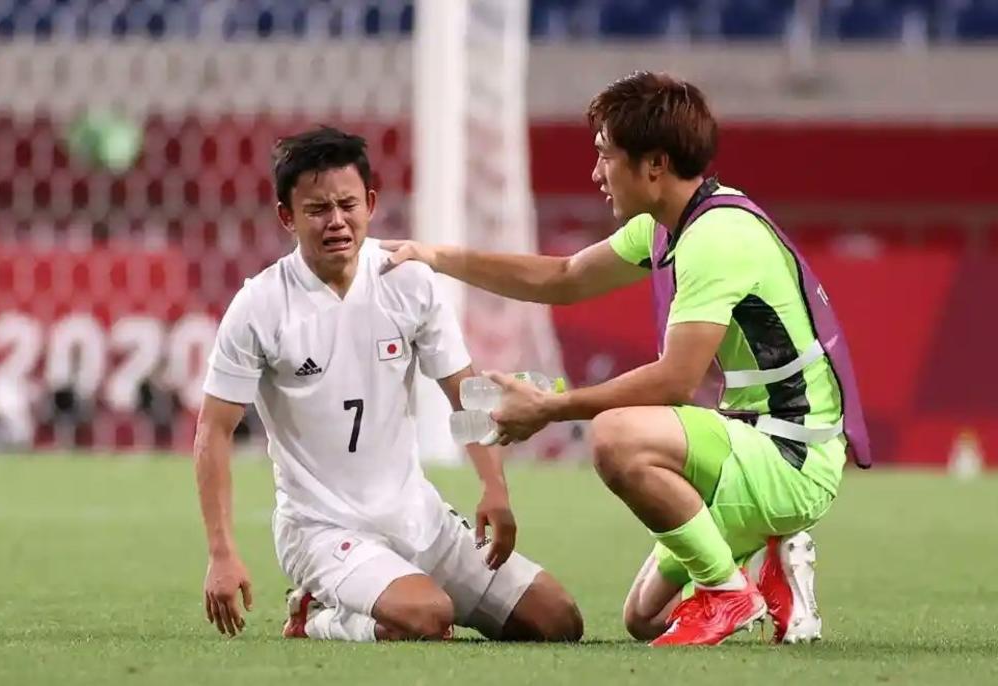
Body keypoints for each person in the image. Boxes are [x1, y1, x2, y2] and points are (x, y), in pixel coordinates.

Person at [382, 71, 871, 647]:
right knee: (644, 618)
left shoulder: (716, 238)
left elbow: (676, 381)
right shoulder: (670, 225)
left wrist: (550, 408)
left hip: (791, 456)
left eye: (605, 155)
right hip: (749, 443)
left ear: (655, 165)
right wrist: (435, 257)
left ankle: (726, 591)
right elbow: (564, 277)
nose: (596, 173)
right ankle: (775, 568)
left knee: (615, 435)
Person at [193, 126, 583, 643]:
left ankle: (380, 600)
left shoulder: (407, 280)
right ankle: (315, 615)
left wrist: (494, 487)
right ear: (287, 217)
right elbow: (213, 430)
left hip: (418, 517)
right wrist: (221, 553)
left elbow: (463, 391)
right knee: (428, 617)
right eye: (317, 209)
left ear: (371, 204)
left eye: (347, 204)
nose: (336, 221)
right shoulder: (259, 305)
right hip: (322, 530)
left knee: (557, 620)